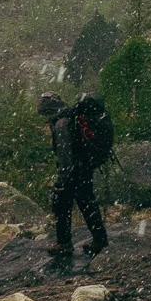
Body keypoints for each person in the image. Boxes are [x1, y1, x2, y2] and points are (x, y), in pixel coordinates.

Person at [38, 90, 111, 259]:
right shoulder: (72, 117)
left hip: (74, 170)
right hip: (84, 167)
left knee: (61, 204)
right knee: (87, 202)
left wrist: (62, 180)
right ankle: (99, 239)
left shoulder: (61, 123)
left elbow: (65, 156)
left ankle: (64, 243)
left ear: (48, 110)